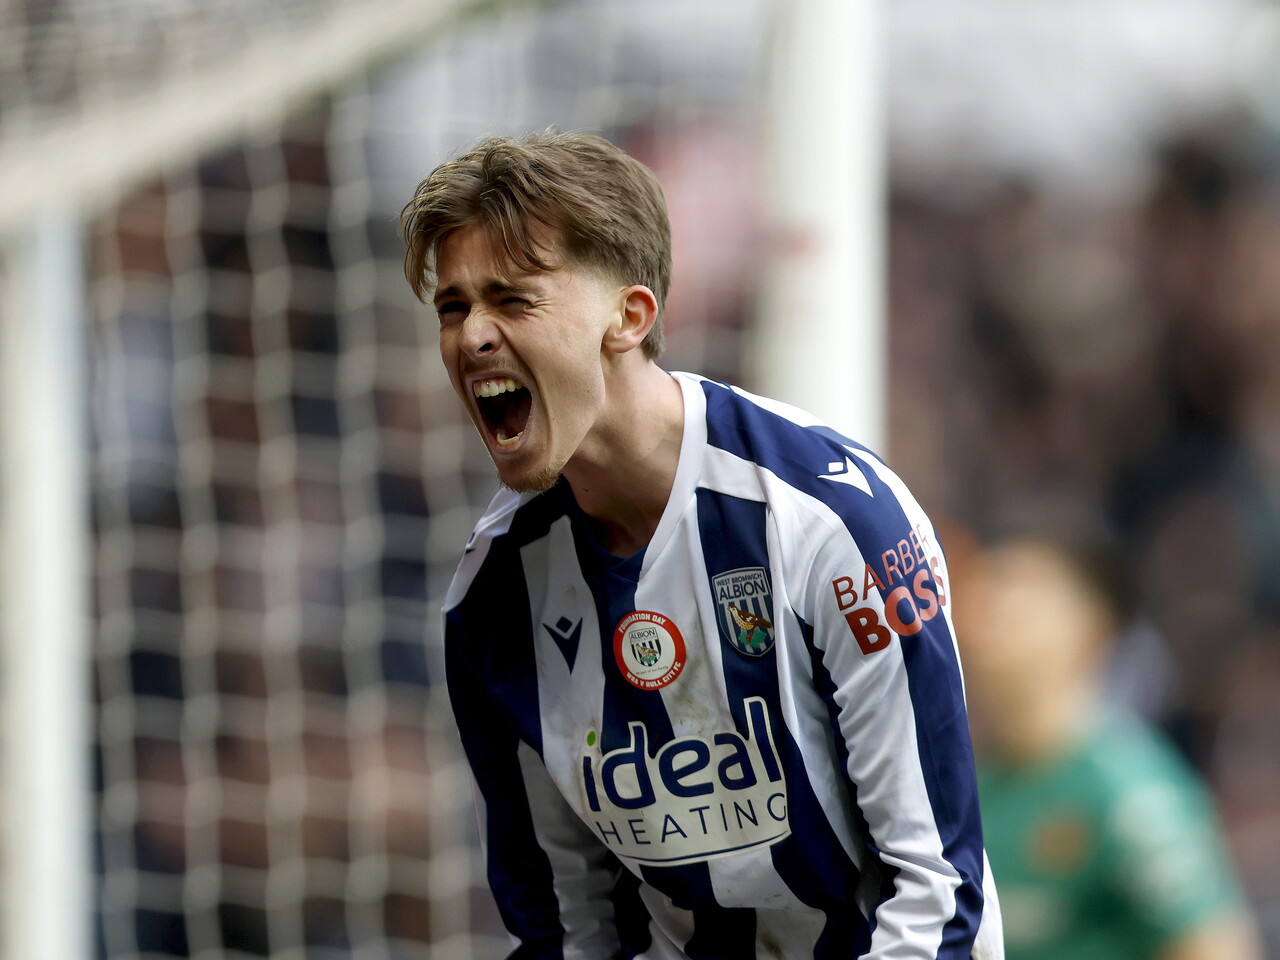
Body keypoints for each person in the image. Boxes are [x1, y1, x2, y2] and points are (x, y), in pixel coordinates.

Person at [401, 130, 1003, 959]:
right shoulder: (494, 594)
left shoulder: (829, 526)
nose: (472, 337)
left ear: (630, 315)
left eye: (512, 300)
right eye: (454, 307)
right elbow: (568, 928)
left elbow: (937, 894)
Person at [954, 534, 1263, 960]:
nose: (988, 621)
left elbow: (1215, 945)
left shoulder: (1128, 790)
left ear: (1091, 626)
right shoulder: (966, 783)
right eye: (984, 598)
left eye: (1018, 596)